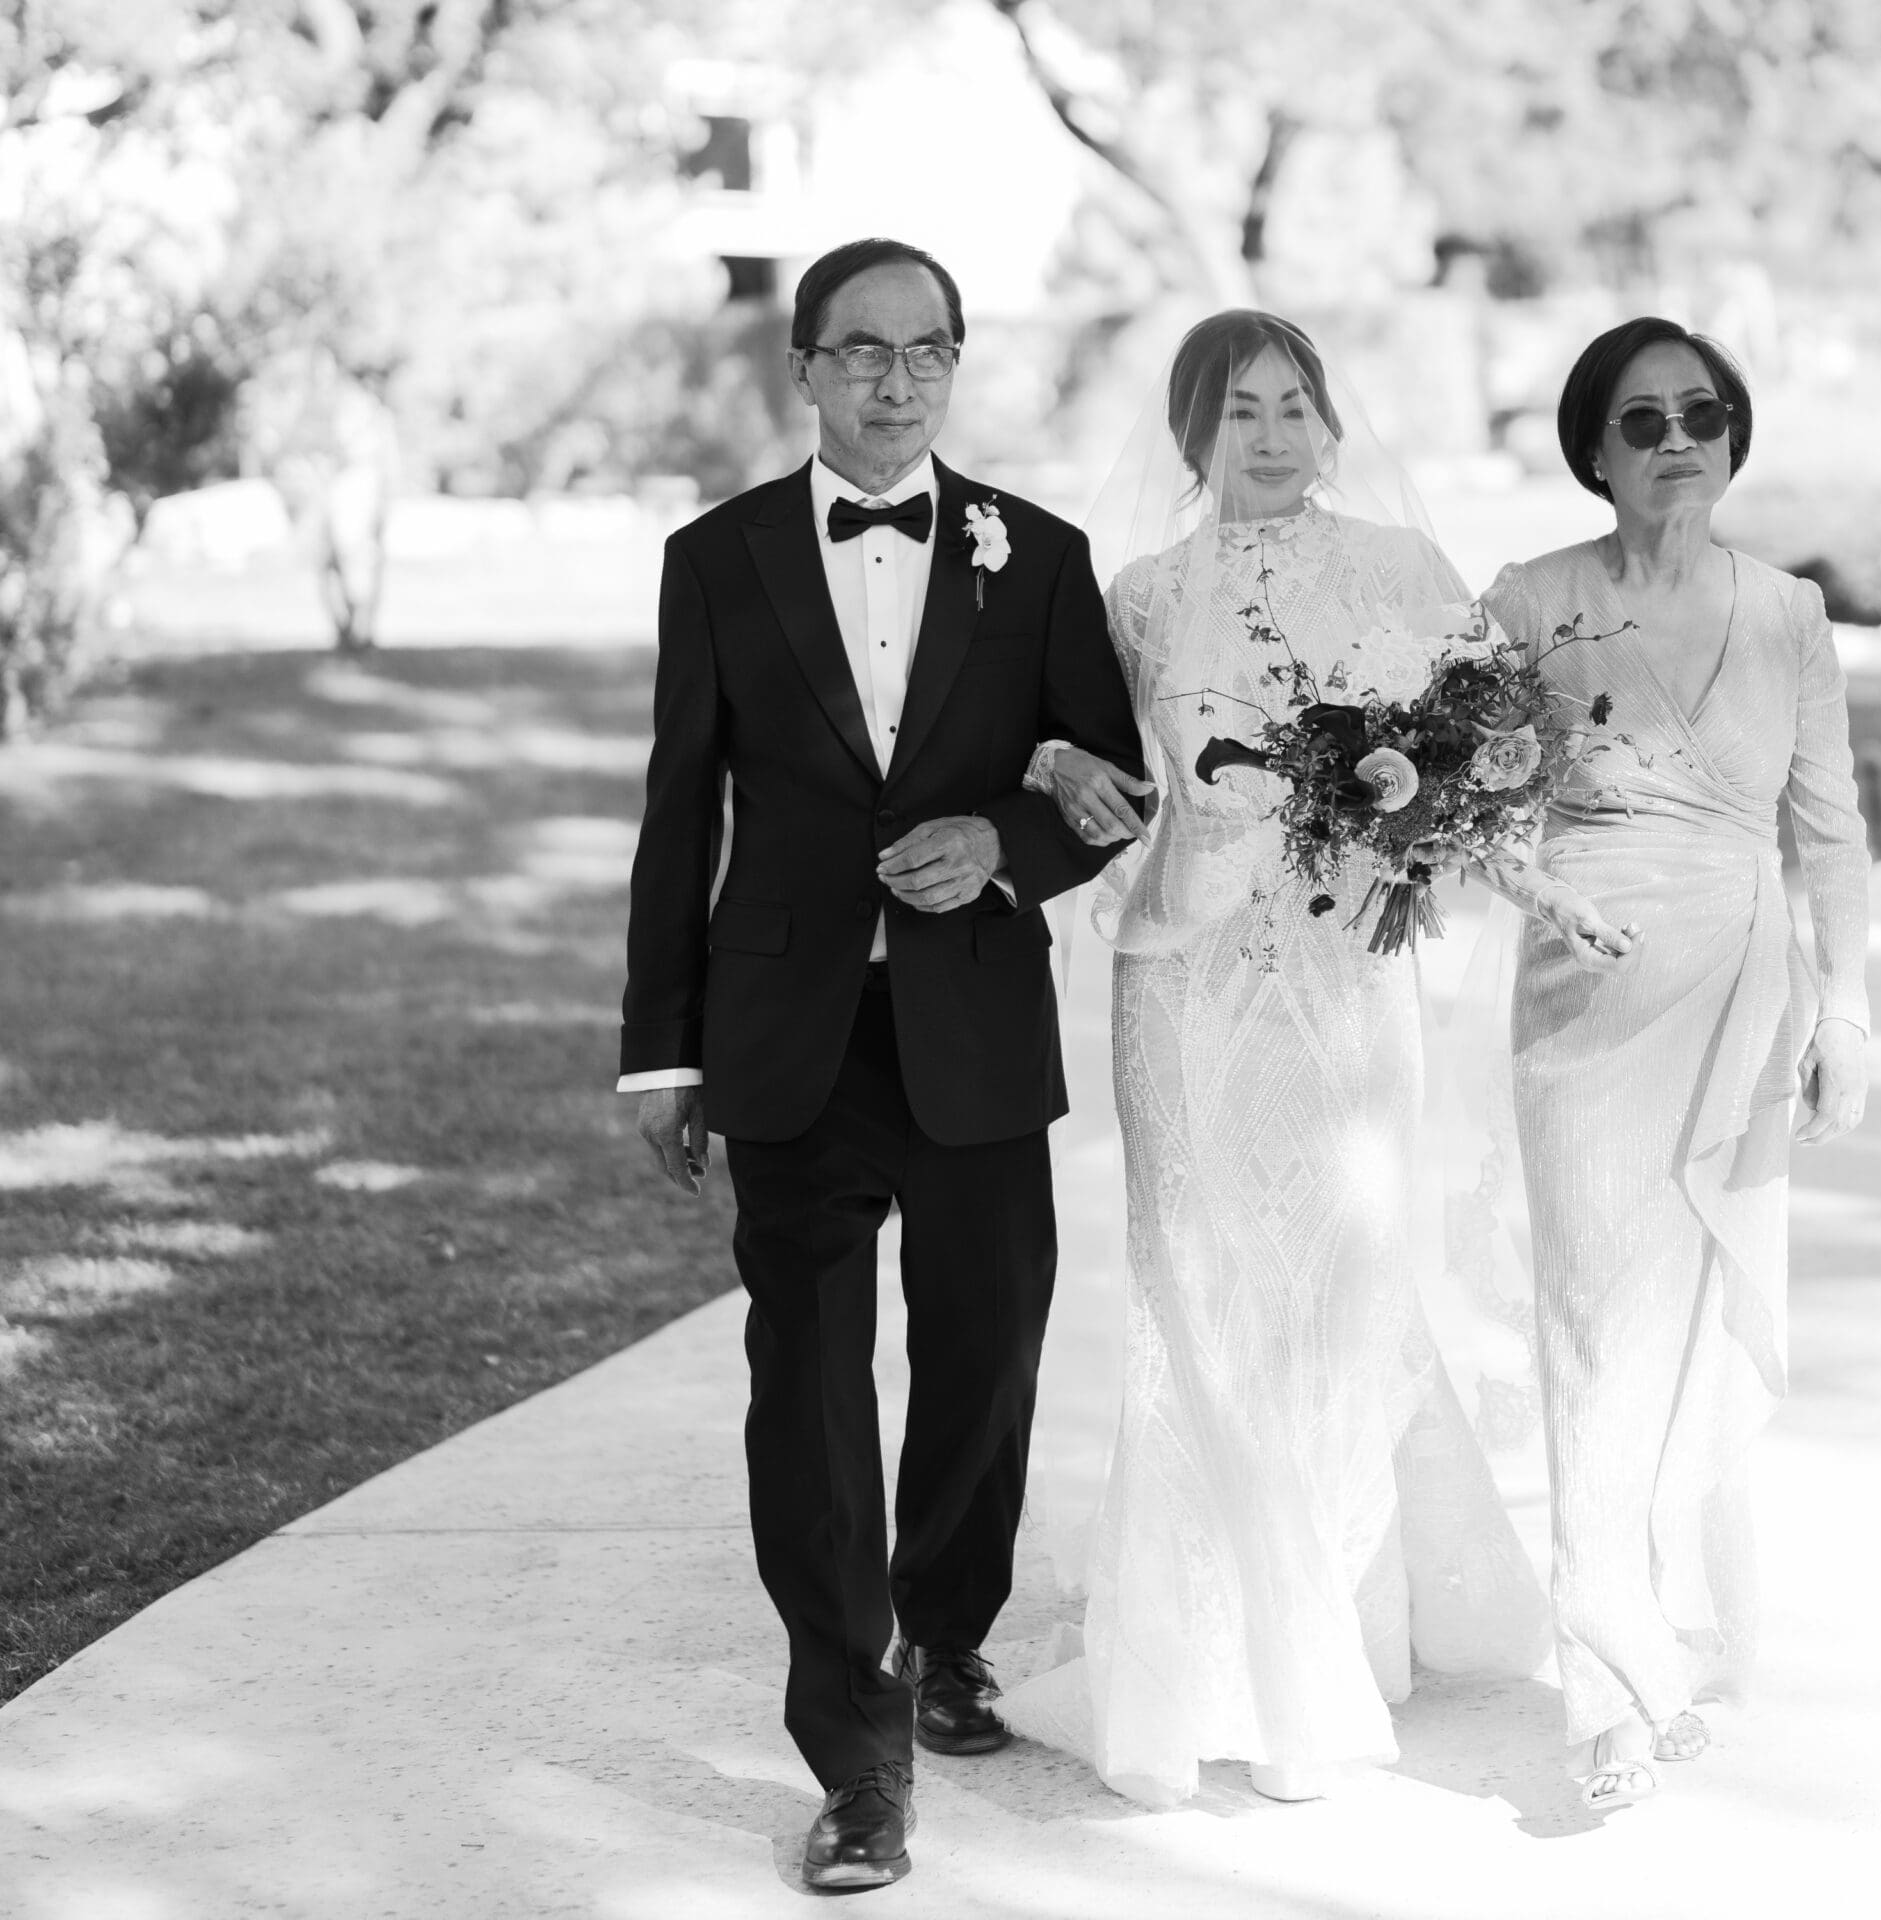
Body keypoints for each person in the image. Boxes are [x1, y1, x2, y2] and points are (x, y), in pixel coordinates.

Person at [1002, 311, 1612, 1808]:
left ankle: (1322, 1640)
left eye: (1292, 405)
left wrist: (1458, 828)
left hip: (1347, 981)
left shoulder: (1404, 573)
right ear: (1190, 434)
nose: (1269, 435)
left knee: (1336, 1292)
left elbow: (1493, 762)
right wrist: (1096, 786)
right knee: (1199, 1289)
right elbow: (1075, 762)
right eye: (1237, 411)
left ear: (1330, 420)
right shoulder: (1140, 595)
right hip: (1186, 978)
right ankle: (1206, 1661)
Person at [615, 238, 1145, 1891]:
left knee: (986, 1364)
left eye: (925, 351)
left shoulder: (1038, 556)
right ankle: (853, 1754)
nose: (895, 378)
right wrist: (660, 1057)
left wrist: (996, 845)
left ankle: (953, 1633)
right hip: (788, 1047)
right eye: (861, 351)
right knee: (812, 1402)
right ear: (807, 369)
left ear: (957, 364)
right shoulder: (716, 559)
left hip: (974, 1033)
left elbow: (1108, 786)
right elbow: (676, 808)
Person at [1480, 317, 1872, 1811]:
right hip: (1586, 998)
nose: (1677, 441)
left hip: (1744, 998)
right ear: (1594, 448)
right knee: (1593, 1318)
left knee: (1689, 1321)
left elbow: (1827, 830)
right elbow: (1454, 803)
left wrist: (1849, 1013)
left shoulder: (1787, 613)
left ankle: (1646, 1616)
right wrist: (1536, 887)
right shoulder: (1527, 601)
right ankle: (1606, 1691)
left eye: (1702, 413)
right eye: (1641, 421)